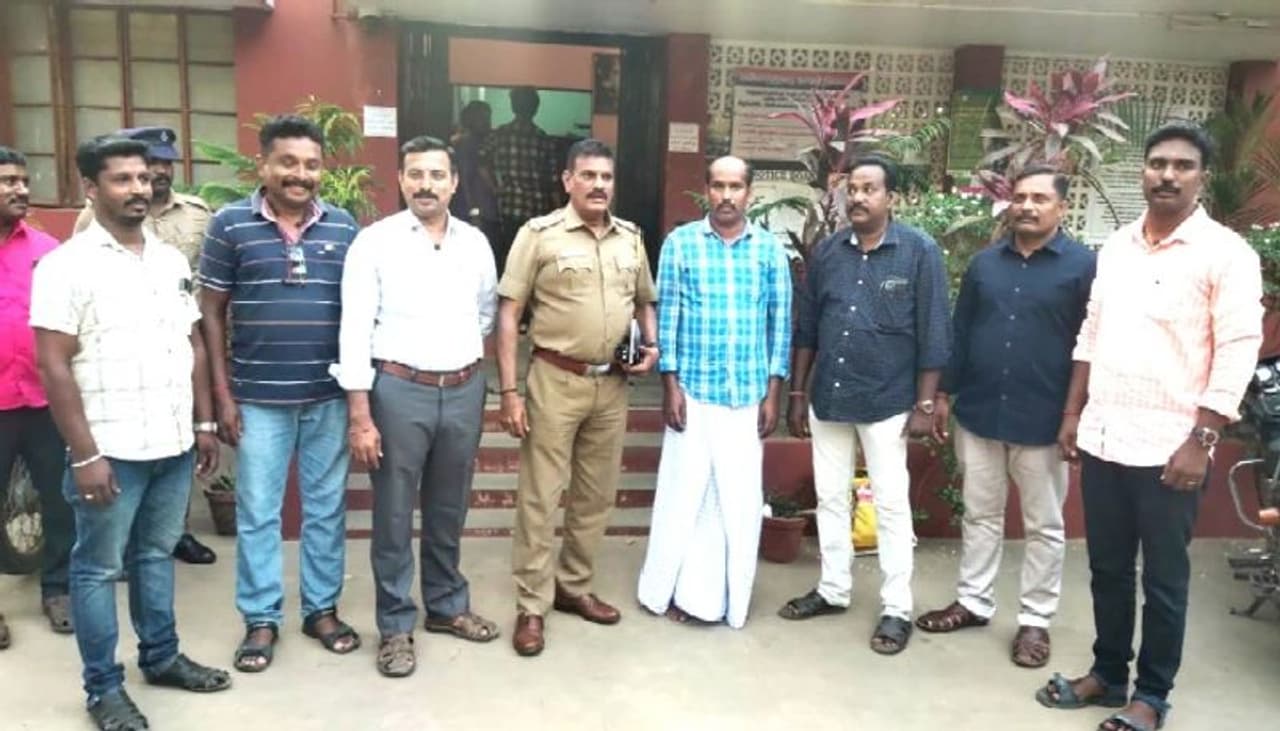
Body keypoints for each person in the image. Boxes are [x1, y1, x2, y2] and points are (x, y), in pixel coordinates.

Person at [1036, 125, 1262, 731]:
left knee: (1163, 580)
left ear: (1202, 177)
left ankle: (1152, 696)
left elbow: (1237, 350)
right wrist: (1073, 414)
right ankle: (1108, 673)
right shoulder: (1118, 246)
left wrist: (1202, 439)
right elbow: (1090, 332)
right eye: (1157, 163)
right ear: (1143, 171)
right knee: (1107, 569)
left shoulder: (1226, 254)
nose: (1167, 174)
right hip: (1106, 436)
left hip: (1172, 449)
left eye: (1182, 166)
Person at [31, 135, 230, 731]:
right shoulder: (65, 266)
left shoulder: (169, 261)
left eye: (144, 177)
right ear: (91, 188)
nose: (139, 188)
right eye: (122, 179)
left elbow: (192, 344)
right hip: (110, 448)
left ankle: (161, 656)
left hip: (172, 442)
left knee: (155, 555)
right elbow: (54, 364)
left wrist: (202, 423)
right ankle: (103, 688)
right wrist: (84, 455)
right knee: (97, 568)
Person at [198, 115, 361, 673]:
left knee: (325, 510)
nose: (300, 174)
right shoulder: (229, 225)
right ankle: (261, 618)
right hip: (258, 400)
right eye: (288, 162)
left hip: (327, 397)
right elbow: (211, 313)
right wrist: (223, 396)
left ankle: (321, 610)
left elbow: (359, 312)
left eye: (311, 164)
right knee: (259, 513)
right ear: (263, 164)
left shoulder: (344, 227)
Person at [915, 166, 1095, 668]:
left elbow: (1091, 345)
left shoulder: (1083, 267)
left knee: (1043, 524)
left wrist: (1075, 413)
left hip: (1044, 417)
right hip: (979, 410)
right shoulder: (984, 264)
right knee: (980, 513)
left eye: (1040, 198)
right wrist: (944, 393)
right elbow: (961, 329)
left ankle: (1035, 619)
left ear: (1061, 207)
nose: (1027, 207)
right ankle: (973, 602)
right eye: (1020, 198)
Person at [334, 136, 500, 678]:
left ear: (454, 182)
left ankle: (447, 606)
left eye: (437, 175)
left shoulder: (475, 243)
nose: (426, 185)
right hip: (398, 390)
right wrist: (361, 414)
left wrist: (456, 362)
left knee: (450, 507)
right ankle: (395, 624)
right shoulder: (374, 242)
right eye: (416, 174)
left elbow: (485, 313)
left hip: (464, 388)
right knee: (394, 512)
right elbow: (354, 328)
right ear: (401, 179)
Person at [781, 155, 950, 656]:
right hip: (829, 396)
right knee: (831, 498)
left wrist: (926, 402)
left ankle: (897, 607)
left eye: (869, 189)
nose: (857, 197)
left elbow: (935, 330)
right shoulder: (829, 252)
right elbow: (807, 328)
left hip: (887, 400)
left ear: (890, 198)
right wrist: (797, 393)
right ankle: (833, 589)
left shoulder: (919, 252)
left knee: (891, 505)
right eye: (851, 189)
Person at [496, 138, 657, 657]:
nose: (598, 185)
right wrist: (509, 391)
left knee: (595, 495)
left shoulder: (631, 238)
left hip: (611, 386)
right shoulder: (538, 235)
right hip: (554, 380)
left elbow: (644, 301)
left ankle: (574, 586)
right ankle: (531, 604)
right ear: (568, 180)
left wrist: (651, 346)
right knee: (540, 497)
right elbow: (508, 315)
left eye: (606, 177)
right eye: (587, 175)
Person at [636, 156, 791, 628]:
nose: (726, 196)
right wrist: (670, 385)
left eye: (735, 186)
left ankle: (728, 601)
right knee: (685, 495)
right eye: (718, 186)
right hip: (694, 391)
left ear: (750, 193)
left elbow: (779, 326)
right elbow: (669, 318)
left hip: (747, 395)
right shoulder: (681, 244)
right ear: (706, 190)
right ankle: (672, 592)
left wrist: (773, 394)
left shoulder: (769, 251)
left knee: (737, 503)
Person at [73, 125, 218, 565]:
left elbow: (209, 281)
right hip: (125, 350)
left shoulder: (197, 215)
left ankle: (177, 532)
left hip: (181, 339)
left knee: (179, 441)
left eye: (165, 164)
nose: (158, 173)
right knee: (131, 449)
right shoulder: (92, 219)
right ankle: (124, 538)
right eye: (151, 164)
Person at [0, 145, 74, 644]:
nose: (21, 189)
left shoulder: (48, 251)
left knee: (59, 499)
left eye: (24, 180)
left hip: (46, 399)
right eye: (8, 181)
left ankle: (57, 589)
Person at [484, 87, 560, 275]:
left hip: (508, 205)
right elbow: (552, 180)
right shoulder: (543, 139)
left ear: (512, 106)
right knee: (533, 260)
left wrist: (495, 188)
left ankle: (511, 289)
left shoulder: (499, 134)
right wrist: (559, 211)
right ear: (536, 108)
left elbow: (482, 163)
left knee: (511, 256)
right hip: (537, 208)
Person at [450, 101, 500, 248]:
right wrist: (473, 211)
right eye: (482, 119)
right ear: (471, 120)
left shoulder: (486, 142)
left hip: (486, 208)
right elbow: (465, 178)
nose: (487, 123)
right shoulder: (468, 144)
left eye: (488, 118)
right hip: (476, 210)